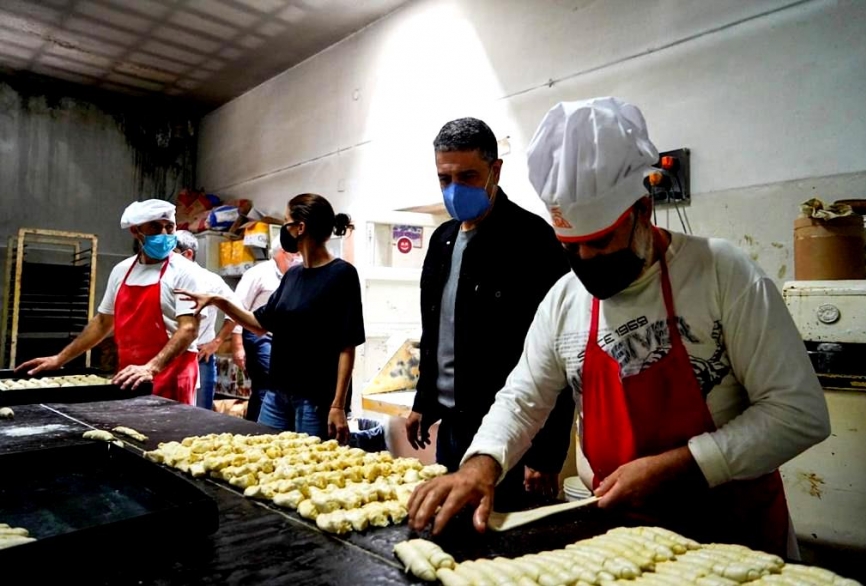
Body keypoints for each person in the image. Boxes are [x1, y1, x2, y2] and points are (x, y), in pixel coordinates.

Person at [407, 97, 831, 558]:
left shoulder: (719, 273)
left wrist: (682, 466)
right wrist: (481, 464)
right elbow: (523, 399)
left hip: (734, 530)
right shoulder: (565, 300)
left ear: (642, 211)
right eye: (572, 248)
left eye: (600, 241)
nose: (586, 262)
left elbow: (799, 413)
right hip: (623, 537)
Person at [406, 117, 575, 508]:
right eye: (444, 179)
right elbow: (435, 331)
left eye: (467, 176)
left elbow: (558, 351)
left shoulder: (532, 241)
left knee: (504, 548)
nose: (454, 189)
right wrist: (423, 402)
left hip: (513, 435)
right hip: (452, 428)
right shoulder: (443, 240)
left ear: (495, 170)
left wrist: (546, 454)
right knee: (453, 533)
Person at [178, 194, 364, 442]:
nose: (283, 229)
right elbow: (259, 324)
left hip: (316, 400)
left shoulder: (341, 275)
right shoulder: (293, 275)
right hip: (277, 394)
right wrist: (219, 301)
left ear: (300, 228)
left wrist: (338, 405)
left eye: (286, 221)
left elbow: (347, 346)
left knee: (308, 469)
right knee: (267, 458)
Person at [18, 199, 201, 403]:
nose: (165, 235)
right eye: (156, 227)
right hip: (130, 373)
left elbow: (188, 329)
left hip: (171, 372)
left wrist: (151, 367)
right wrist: (60, 359)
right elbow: (103, 322)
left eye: (170, 227)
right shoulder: (121, 271)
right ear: (136, 231)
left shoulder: (186, 272)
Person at [230, 237, 301, 421]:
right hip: (257, 334)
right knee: (269, 383)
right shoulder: (258, 273)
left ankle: (263, 424)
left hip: (283, 337)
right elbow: (238, 307)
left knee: (277, 384)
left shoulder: (295, 275)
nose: (298, 257)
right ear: (280, 252)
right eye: (295, 253)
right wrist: (237, 345)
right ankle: (260, 427)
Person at [173, 230, 238, 410]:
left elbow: (236, 310)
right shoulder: (164, 278)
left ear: (188, 254)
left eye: (173, 253)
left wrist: (216, 342)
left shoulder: (210, 280)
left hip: (200, 357)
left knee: (200, 415)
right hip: (167, 356)